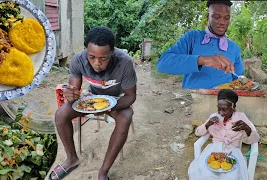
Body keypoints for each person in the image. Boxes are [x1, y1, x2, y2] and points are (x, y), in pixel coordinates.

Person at [49, 26, 137, 180]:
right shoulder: (78, 60)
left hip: (117, 99)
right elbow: (74, 91)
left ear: (112, 53)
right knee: (61, 114)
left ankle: (103, 172)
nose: (97, 63)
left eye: (103, 58)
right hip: (91, 97)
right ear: (86, 52)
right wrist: (71, 95)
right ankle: (71, 159)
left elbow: (130, 97)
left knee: (126, 117)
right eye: (92, 57)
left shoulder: (124, 62)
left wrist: (107, 106)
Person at [157, 0, 244, 89]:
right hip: (195, 99)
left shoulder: (234, 48)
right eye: (217, 17)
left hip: (223, 100)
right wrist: (201, 60)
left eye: (226, 18)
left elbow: (238, 80)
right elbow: (163, 63)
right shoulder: (193, 38)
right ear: (208, 17)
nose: (222, 22)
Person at [188, 89, 259, 180]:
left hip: (233, 152)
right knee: (206, 174)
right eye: (219, 108)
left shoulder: (241, 117)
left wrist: (247, 129)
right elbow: (198, 132)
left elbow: (255, 139)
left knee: (230, 176)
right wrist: (207, 124)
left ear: (233, 106)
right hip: (213, 151)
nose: (221, 112)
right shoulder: (214, 116)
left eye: (224, 109)